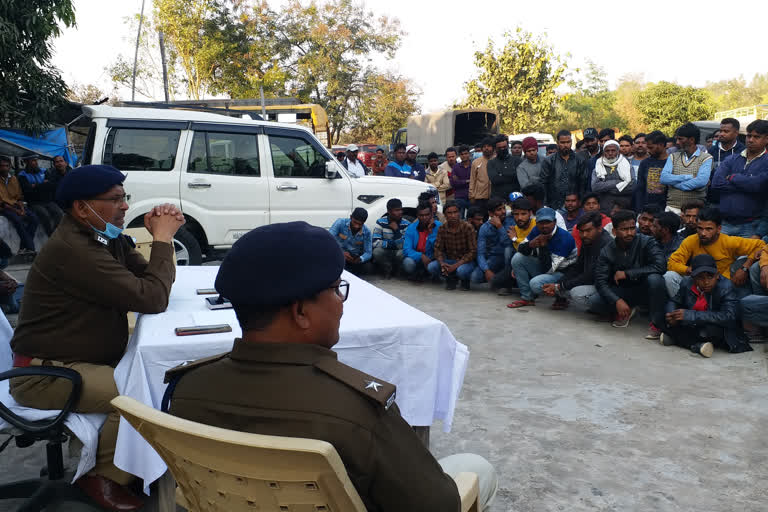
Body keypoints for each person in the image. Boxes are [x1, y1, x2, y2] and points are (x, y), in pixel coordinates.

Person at [163, 221, 497, 512]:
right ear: (300, 313)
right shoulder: (358, 411)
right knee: (475, 468)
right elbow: (437, 505)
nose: (340, 303)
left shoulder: (186, 391)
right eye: (337, 290)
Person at [9, 165, 184, 511]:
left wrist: (155, 239)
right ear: (82, 208)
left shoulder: (103, 238)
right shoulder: (73, 249)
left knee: (155, 379)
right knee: (140, 394)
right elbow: (151, 297)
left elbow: (150, 280)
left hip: (78, 360)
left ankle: (128, 464)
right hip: (43, 374)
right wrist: (162, 240)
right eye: (115, 199)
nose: (124, 206)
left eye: (124, 198)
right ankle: (101, 476)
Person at [662, 254, 752, 357]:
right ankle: (696, 345)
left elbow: (729, 317)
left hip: (721, 329)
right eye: (700, 278)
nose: (706, 282)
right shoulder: (687, 283)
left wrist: (691, 315)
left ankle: (681, 340)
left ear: (717, 275)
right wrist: (671, 314)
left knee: (704, 331)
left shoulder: (726, 287)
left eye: (710, 277)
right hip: (695, 323)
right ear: (693, 277)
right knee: (661, 319)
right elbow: (674, 300)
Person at [665, 207, 766, 298]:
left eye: (709, 229)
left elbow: (761, 245)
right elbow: (672, 263)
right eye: (700, 228)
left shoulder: (729, 241)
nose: (703, 233)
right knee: (669, 276)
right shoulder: (690, 240)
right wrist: (689, 270)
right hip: (697, 282)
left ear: (719, 229)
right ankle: (683, 307)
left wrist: (744, 268)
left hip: (721, 285)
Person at [590, 209, 667, 329]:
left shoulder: (647, 242)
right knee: (595, 302)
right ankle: (628, 309)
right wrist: (617, 301)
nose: (629, 233)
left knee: (655, 279)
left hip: (645, 287)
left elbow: (661, 266)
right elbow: (600, 281)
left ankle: (656, 322)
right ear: (614, 231)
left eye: (632, 228)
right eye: (624, 229)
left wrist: (628, 273)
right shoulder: (607, 250)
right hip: (624, 290)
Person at [507, 207, 577, 309]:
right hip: (547, 266)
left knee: (535, 284)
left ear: (555, 222)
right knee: (517, 258)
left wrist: (543, 247)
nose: (544, 226)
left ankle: (562, 297)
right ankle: (527, 298)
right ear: (537, 223)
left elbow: (549, 269)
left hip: (564, 273)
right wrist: (530, 244)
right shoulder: (537, 230)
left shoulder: (565, 238)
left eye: (548, 222)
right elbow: (521, 248)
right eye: (541, 222)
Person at [541, 211, 613, 310]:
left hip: (607, 286)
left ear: (599, 229)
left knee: (576, 293)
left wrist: (559, 286)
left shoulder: (605, 244)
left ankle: (609, 310)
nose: (584, 235)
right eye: (581, 231)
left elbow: (590, 275)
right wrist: (558, 284)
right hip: (594, 282)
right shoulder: (588, 240)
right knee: (562, 288)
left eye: (588, 230)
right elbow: (578, 267)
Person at [710, 119, 768, 238]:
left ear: (767, 139)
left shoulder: (766, 162)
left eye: (756, 137)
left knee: (744, 257)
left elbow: (758, 185)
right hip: (725, 223)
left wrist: (733, 177)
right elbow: (716, 183)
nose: (751, 140)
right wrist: (748, 184)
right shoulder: (732, 159)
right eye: (749, 136)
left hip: (751, 226)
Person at [660, 123, 712, 214]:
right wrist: (689, 177)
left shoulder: (706, 158)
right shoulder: (673, 156)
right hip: (672, 208)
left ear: (691, 140)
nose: (677, 142)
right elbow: (664, 178)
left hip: (694, 211)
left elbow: (701, 181)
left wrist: (677, 184)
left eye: (680, 139)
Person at [430, 201, 477, 290]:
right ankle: (451, 278)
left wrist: (455, 266)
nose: (453, 215)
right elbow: (437, 249)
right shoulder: (442, 228)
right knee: (432, 267)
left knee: (461, 271)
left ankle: (464, 280)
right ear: (445, 215)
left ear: (459, 213)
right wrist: (442, 263)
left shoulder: (468, 227)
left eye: (455, 212)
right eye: (449, 213)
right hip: (449, 260)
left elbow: (473, 251)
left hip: (465, 261)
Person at [540, 130, 589, 209]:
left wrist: (581, 201)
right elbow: (543, 184)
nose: (566, 145)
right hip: (554, 204)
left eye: (568, 142)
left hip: (575, 204)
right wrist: (545, 204)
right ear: (557, 142)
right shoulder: (549, 161)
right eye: (562, 142)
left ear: (571, 142)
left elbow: (583, 183)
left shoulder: (579, 160)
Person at [473, 197, 513, 290]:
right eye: (499, 210)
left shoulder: (511, 221)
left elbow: (507, 243)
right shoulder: (485, 227)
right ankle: (498, 279)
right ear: (491, 213)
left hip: (510, 257)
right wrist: (486, 270)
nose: (503, 211)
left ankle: (507, 282)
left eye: (504, 208)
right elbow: (480, 253)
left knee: (508, 250)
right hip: (495, 258)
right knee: (475, 277)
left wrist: (499, 227)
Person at [0, 156, 39, 253]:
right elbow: (2, 203)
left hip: (16, 205)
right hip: (4, 207)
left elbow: (19, 197)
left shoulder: (13, 178)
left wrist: (21, 209)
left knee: (34, 219)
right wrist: (17, 211)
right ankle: (31, 248)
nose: (4, 168)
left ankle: (23, 247)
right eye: (1, 166)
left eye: (6, 166)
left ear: (10, 167)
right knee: (18, 221)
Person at [18, 156, 64, 235]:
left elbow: (51, 185)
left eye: (36, 160)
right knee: (45, 215)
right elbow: (27, 190)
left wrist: (35, 185)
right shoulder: (22, 175)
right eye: (33, 161)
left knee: (59, 213)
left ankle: (57, 233)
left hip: (47, 200)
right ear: (26, 162)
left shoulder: (44, 171)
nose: (36, 162)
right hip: (34, 202)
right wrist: (43, 184)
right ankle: (51, 235)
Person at [707, 118, 745, 206]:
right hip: (713, 200)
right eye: (721, 131)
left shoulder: (743, 152)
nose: (721, 134)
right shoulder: (711, 151)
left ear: (736, 133)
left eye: (726, 131)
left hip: (736, 200)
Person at [591, 140, 634, 214]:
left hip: (624, 207)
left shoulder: (626, 165)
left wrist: (607, 189)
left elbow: (631, 186)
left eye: (613, 150)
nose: (610, 153)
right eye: (607, 151)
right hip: (604, 207)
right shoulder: (598, 166)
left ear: (618, 152)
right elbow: (595, 187)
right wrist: (616, 182)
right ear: (604, 152)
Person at [402, 201, 441, 281]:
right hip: (418, 259)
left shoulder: (439, 226)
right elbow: (407, 249)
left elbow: (440, 248)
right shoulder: (411, 228)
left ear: (431, 215)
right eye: (421, 215)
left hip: (433, 259)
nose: (424, 218)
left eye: (427, 215)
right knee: (408, 263)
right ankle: (417, 273)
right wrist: (421, 256)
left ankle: (434, 275)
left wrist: (431, 233)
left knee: (432, 266)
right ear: (417, 216)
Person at [329, 207, 373, 275]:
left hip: (354, 258)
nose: (356, 226)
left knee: (368, 268)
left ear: (363, 223)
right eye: (355, 222)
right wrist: (341, 253)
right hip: (338, 254)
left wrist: (360, 259)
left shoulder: (367, 232)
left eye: (360, 224)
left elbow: (368, 252)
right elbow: (329, 240)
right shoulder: (340, 223)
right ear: (350, 217)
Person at [372, 199, 410, 278]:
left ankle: (397, 269)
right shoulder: (381, 222)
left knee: (402, 252)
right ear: (389, 211)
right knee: (376, 252)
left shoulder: (406, 224)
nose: (400, 212)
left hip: (397, 251)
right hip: (386, 251)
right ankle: (387, 267)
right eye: (397, 210)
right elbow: (375, 242)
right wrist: (393, 244)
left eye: (400, 209)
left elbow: (403, 245)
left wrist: (396, 230)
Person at [633, 130, 668, 211]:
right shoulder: (645, 163)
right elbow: (640, 189)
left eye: (651, 147)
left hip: (665, 209)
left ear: (661, 145)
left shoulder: (672, 162)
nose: (648, 150)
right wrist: (639, 210)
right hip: (647, 208)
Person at [487, 134, 522, 201]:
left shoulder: (517, 160)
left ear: (508, 146)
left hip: (516, 199)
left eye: (504, 147)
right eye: (499, 148)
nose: (502, 149)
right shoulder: (491, 163)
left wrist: (501, 174)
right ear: (495, 148)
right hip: (498, 200)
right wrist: (512, 175)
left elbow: (519, 177)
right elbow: (495, 180)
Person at [469, 137, 494, 213]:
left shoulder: (497, 161)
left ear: (493, 148)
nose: (486, 148)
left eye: (489, 146)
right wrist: (471, 196)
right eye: (484, 146)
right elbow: (472, 180)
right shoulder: (476, 162)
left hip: (494, 197)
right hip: (479, 198)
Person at [450, 146, 472, 218]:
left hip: (472, 196)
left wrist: (460, 181)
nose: (464, 156)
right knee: (459, 220)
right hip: (459, 197)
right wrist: (467, 181)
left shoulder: (474, 166)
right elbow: (453, 183)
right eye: (462, 154)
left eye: (466, 153)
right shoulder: (456, 167)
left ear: (469, 154)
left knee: (472, 219)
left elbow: (476, 181)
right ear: (459, 156)